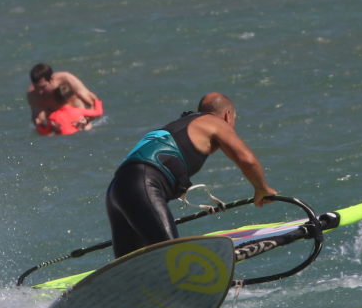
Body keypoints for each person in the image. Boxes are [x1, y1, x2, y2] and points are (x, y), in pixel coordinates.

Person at [106, 92, 276, 258]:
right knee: (171, 257)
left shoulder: (180, 125)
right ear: (227, 115)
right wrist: (262, 188)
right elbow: (247, 160)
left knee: (130, 266)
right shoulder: (215, 122)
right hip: (143, 185)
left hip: (116, 190)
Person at [27, 63, 101, 133]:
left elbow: (92, 101)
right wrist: (49, 127)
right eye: (36, 87)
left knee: (86, 128)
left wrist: (86, 120)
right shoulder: (33, 94)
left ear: (51, 79)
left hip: (78, 118)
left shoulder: (66, 79)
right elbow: (37, 120)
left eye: (43, 87)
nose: (39, 92)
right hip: (57, 124)